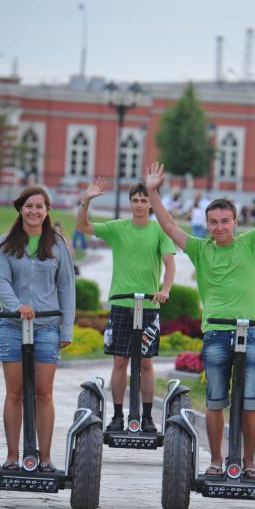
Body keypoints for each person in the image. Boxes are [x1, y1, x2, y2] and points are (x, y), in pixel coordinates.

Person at [145, 158, 255, 479]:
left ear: (235, 222)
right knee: (215, 401)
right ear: (207, 224)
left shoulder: (251, 243)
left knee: (250, 403)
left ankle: (250, 464)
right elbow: (169, 226)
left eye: (225, 221)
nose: (219, 227)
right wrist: (153, 191)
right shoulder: (200, 249)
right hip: (216, 333)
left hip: (249, 332)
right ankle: (215, 461)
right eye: (214, 222)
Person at [76, 178, 176, 433]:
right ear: (130, 203)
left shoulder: (159, 231)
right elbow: (83, 226)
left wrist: (165, 290)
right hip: (122, 302)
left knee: (145, 362)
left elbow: (170, 264)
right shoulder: (118, 227)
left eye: (144, 200)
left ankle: (147, 417)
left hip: (150, 305)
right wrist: (86, 201)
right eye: (135, 200)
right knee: (120, 361)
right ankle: (118, 415)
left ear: (151, 204)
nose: (140, 204)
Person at [0, 185, 76, 472]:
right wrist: (17, 305)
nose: (34, 211)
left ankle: (44, 458)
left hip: (46, 327)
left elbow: (66, 286)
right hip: (13, 326)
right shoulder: (6, 244)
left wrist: (66, 330)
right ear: (20, 209)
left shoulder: (57, 244)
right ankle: (13, 457)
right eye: (29, 206)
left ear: (47, 211)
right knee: (14, 392)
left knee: (43, 392)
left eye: (39, 206)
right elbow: (2, 282)